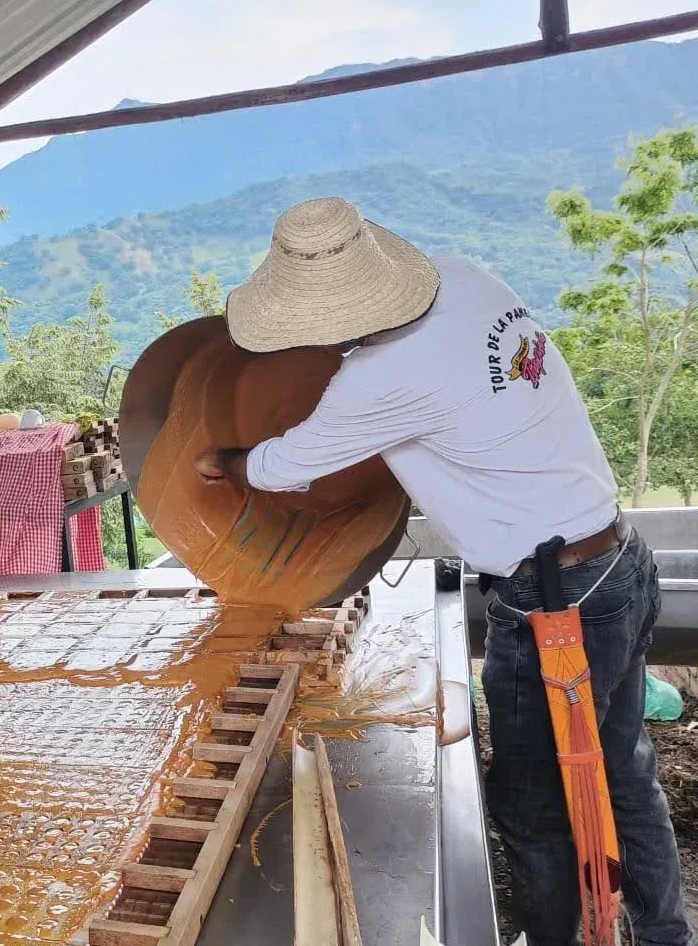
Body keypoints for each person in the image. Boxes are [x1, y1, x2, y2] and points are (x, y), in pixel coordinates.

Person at [192, 198, 690, 946]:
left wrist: (221, 461)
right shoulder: (464, 279)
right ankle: (666, 934)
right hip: (620, 558)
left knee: (532, 805)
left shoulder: (380, 377)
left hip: (556, 600)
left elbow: (284, 465)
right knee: (624, 770)